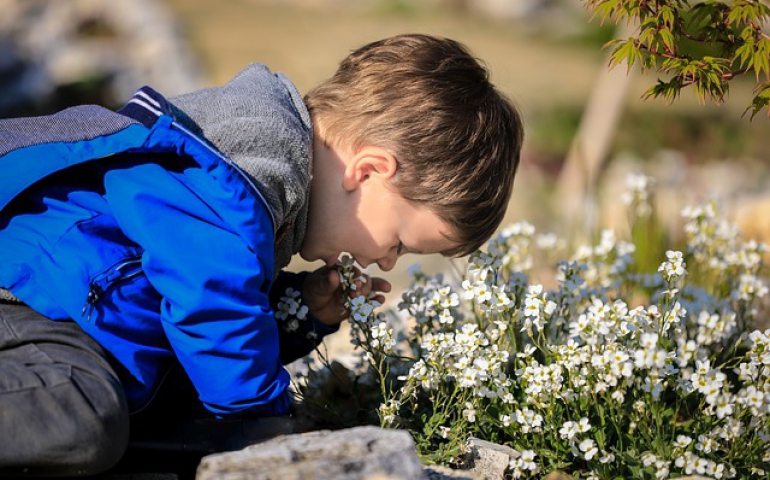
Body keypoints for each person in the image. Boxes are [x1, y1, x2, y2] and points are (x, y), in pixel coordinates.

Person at [0, 33, 523, 476]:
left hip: (60, 322)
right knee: (81, 412)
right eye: (401, 242)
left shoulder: (256, 186)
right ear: (367, 171)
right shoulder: (254, 161)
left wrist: (296, 313)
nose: (388, 262)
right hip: (21, 301)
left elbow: (196, 299)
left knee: (166, 430)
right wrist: (267, 429)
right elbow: (208, 295)